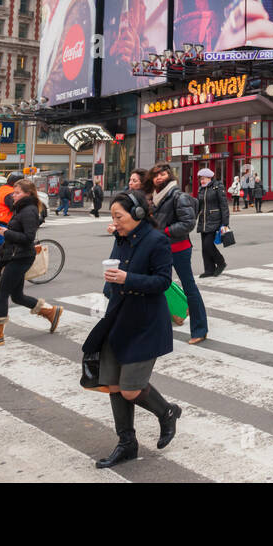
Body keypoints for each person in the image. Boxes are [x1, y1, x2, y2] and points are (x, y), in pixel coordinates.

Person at [85, 191, 182, 468]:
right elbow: (116, 270)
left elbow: (163, 282)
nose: (115, 222)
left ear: (138, 214)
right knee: (114, 385)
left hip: (145, 322)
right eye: (112, 217)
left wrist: (128, 278)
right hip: (118, 317)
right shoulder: (122, 238)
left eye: (119, 216)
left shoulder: (158, 240)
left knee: (130, 389)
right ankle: (126, 443)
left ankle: (167, 413)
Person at [0, 179, 62, 349]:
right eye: (13, 193)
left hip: (21, 257)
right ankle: (51, 312)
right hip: (16, 256)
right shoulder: (21, 208)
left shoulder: (28, 211)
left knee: (2, 295)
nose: (13, 195)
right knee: (17, 296)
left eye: (17, 193)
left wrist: (7, 233)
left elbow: (29, 238)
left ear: (27, 194)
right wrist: (7, 234)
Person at [150, 165, 208, 345]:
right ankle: (175, 312)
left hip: (179, 248)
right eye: (156, 175)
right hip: (161, 248)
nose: (159, 177)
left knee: (189, 286)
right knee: (158, 284)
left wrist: (165, 231)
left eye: (163, 174)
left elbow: (188, 223)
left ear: (170, 175)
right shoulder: (155, 198)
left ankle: (200, 329)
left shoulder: (178, 196)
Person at [195, 167, 230, 277]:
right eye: (201, 179)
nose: (202, 181)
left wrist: (225, 223)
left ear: (210, 178)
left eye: (204, 178)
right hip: (203, 221)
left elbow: (224, 205)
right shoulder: (201, 189)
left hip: (215, 220)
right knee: (204, 247)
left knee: (208, 244)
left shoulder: (217, 187)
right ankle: (209, 270)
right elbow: (198, 206)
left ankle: (220, 262)